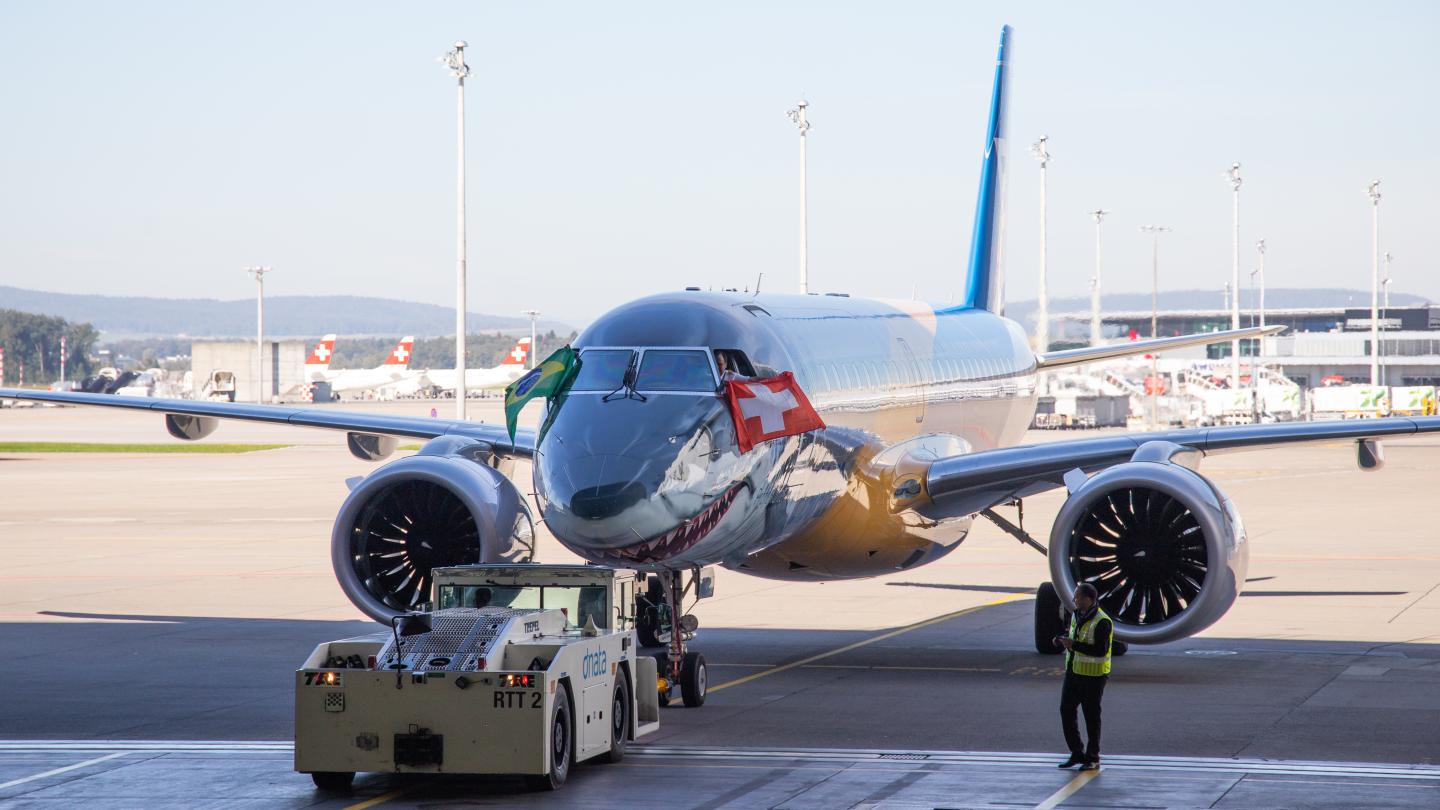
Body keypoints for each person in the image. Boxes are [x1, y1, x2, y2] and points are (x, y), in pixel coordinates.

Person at [1056, 582, 1112, 771]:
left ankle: (1093, 757)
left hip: (1093, 677)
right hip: (1073, 673)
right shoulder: (1076, 615)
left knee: (1091, 717)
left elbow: (1100, 650)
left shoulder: (1102, 621)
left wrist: (1074, 645)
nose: (1074, 600)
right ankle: (1077, 752)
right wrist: (1061, 640)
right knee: (1066, 711)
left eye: (1077, 597)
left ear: (1088, 599)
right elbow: (1073, 635)